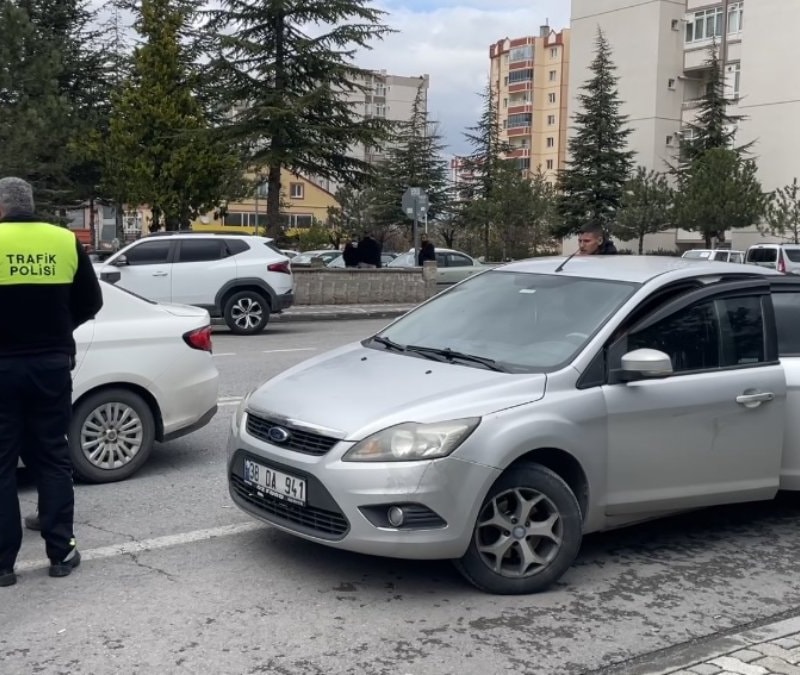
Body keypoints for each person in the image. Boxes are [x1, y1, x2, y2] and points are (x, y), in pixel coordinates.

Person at [0, 177, 103, 587]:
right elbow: (91, 301)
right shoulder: (63, 240)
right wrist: (59, 332)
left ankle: (4, 565)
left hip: (1, 370)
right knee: (53, 458)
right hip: (51, 366)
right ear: (30, 203)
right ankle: (61, 552)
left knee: (2, 464)